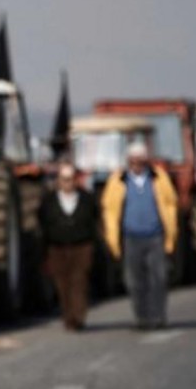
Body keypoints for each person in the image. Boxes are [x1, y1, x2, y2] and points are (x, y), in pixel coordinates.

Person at [101, 141, 177, 329]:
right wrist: (112, 238)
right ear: (128, 161)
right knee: (135, 281)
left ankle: (158, 316)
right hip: (131, 237)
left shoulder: (159, 178)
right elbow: (110, 210)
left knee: (158, 278)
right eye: (133, 160)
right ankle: (142, 317)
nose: (137, 164)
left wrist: (171, 232)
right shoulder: (118, 181)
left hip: (155, 236)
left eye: (140, 160)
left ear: (146, 160)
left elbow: (170, 204)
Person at [38, 162, 98, 330]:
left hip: (81, 246)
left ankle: (78, 317)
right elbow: (42, 223)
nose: (68, 183)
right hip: (57, 248)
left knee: (79, 282)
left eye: (71, 179)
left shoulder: (86, 198)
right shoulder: (49, 201)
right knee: (62, 284)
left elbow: (94, 220)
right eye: (64, 179)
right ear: (59, 181)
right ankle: (68, 316)